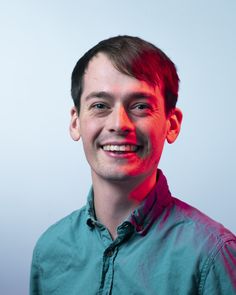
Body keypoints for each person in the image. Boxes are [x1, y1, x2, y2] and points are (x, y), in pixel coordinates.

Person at [30, 35, 236, 295]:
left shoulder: (213, 255)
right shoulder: (49, 250)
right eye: (100, 105)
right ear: (75, 122)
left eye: (140, 106)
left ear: (172, 125)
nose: (119, 124)